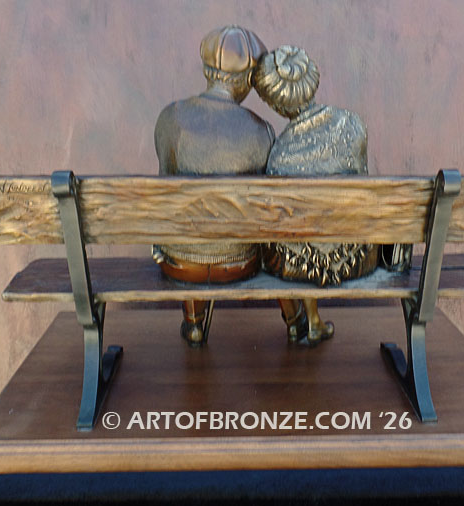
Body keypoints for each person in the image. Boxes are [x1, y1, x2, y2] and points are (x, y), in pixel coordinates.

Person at [153, 25, 274, 347]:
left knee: (187, 219)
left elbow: (167, 174)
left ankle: (194, 322)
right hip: (237, 263)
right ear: (247, 80)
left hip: (177, 262)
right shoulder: (261, 131)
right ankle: (297, 322)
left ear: (207, 69)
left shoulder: (170, 118)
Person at [253, 45, 378, 346]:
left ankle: (307, 319)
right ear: (312, 79)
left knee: (293, 235)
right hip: (358, 258)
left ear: (277, 105)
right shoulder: (352, 124)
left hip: (300, 267)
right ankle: (314, 322)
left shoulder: (279, 154)